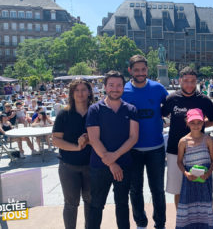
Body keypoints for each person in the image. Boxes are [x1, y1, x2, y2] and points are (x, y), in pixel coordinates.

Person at [86, 71, 139, 229]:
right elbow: (94, 139)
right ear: (105, 87)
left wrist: (115, 157)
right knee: (96, 205)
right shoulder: (95, 109)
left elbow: (133, 137)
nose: (115, 89)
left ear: (123, 87)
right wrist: (111, 163)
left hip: (124, 164)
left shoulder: (131, 109)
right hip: (100, 165)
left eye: (119, 85)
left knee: (122, 205)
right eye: (111, 85)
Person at [121, 55, 168, 229]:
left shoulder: (159, 88)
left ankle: (160, 224)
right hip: (132, 149)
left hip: (156, 148)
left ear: (148, 70)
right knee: (135, 190)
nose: (140, 73)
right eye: (137, 70)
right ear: (130, 71)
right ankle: (141, 223)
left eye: (143, 69)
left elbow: (172, 108)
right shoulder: (123, 90)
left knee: (157, 190)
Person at [161, 67, 213, 209]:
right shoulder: (172, 98)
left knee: (200, 186)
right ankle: (181, 219)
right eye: (186, 81)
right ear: (180, 81)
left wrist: (200, 126)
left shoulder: (204, 100)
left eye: (192, 81)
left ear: (196, 81)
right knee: (178, 189)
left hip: (199, 149)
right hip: (175, 149)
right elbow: (160, 115)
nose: (189, 84)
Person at [52, 79, 93, 229]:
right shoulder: (64, 113)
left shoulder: (95, 112)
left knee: (90, 202)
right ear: (72, 93)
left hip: (91, 165)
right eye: (77, 90)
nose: (80, 93)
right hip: (68, 165)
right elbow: (56, 140)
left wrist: (89, 140)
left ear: (89, 92)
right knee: (71, 204)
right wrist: (77, 147)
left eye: (83, 89)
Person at [176, 108, 213, 228]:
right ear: (187, 123)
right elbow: (179, 162)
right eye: (192, 122)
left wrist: (209, 172)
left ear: (203, 122)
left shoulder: (208, 139)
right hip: (189, 180)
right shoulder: (183, 141)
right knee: (188, 205)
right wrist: (186, 173)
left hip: (205, 180)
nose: (196, 125)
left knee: (205, 205)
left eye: (199, 122)